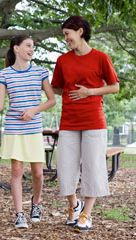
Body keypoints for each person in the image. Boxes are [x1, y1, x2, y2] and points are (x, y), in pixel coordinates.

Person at [0, 35, 56, 229]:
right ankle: (19, 214)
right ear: (16, 48)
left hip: (33, 129)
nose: (31, 50)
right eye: (28, 46)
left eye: (33, 47)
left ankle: (36, 204)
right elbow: (0, 106)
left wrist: (33, 110)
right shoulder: (4, 74)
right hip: (14, 129)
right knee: (16, 171)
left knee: (38, 174)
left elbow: (52, 100)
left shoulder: (41, 72)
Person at [51, 16, 119, 233]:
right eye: (64, 36)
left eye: (67, 34)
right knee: (64, 168)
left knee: (93, 168)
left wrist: (90, 91)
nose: (66, 39)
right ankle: (74, 205)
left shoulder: (101, 58)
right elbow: (59, 88)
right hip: (69, 120)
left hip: (94, 121)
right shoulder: (63, 61)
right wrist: (43, 83)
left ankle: (86, 214)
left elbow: (114, 87)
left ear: (80, 31)